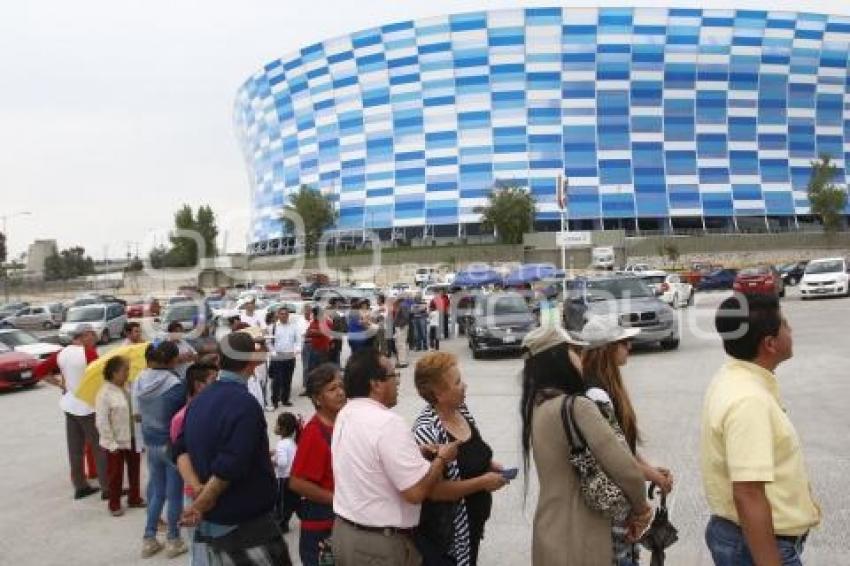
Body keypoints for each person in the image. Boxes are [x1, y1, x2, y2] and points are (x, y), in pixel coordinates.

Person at [702, 294, 820, 566]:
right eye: (786, 325)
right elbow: (748, 493)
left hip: (745, 538)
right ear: (770, 344)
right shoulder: (749, 401)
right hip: (758, 545)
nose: (791, 330)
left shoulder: (733, 376)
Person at [519, 325, 651, 566]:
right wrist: (642, 509)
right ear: (558, 357)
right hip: (586, 537)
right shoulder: (577, 406)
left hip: (549, 535)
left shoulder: (537, 407)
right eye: (575, 351)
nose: (581, 358)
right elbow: (626, 469)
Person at [331, 348, 459, 566]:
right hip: (379, 546)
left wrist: (414, 452)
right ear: (376, 384)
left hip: (345, 534)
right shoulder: (387, 423)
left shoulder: (347, 413)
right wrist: (441, 460)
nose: (398, 382)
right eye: (393, 376)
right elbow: (416, 492)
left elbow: (369, 459)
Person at [177, 331, 291, 566]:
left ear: (218, 361)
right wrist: (201, 503)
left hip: (215, 522)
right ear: (252, 361)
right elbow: (230, 465)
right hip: (244, 524)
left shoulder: (199, 399)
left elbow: (179, 449)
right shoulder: (244, 404)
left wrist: (198, 489)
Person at [578, 316, 674, 566]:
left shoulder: (602, 386)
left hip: (617, 498)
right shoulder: (595, 393)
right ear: (607, 349)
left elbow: (623, 443)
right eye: (624, 342)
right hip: (611, 504)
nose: (630, 347)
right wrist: (654, 477)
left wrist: (650, 470)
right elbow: (615, 456)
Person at [412, 352, 508, 565]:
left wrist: (489, 465)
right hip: (448, 538)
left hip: (473, 525)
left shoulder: (461, 410)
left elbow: (470, 454)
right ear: (438, 393)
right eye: (457, 382)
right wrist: (483, 482)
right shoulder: (427, 430)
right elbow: (435, 491)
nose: (465, 386)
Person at [34, 324, 108, 499]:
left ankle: (80, 485)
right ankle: (107, 488)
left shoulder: (62, 353)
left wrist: (61, 384)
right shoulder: (89, 353)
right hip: (88, 407)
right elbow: (99, 379)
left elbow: (39, 371)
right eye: (92, 336)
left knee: (75, 449)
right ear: (84, 336)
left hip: (69, 405)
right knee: (99, 448)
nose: (94, 339)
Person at [289, 364, 346, 566]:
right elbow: (297, 483)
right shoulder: (314, 433)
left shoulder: (342, 423)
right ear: (317, 399)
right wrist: (337, 499)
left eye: (341, 386)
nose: (340, 392)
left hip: (342, 521)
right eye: (332, 389)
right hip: (323, 526)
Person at [135, 341, 187, 559]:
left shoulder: (140, 378)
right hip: (170, 445)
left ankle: (149, 539)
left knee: (157, 491)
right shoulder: (175, 383)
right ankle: (173, 539)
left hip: (150, 442)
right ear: (172, 360)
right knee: (175, 494)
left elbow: (138, 413)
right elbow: (182, 417)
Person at [95, 355, 145, 516]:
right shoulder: (104, 393)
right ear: (114, 372)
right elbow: (101, 421)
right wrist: (111, 444)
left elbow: (133, 408)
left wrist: (137, 415)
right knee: (115, 474)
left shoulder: (129, 387)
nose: (127, 373)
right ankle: (114, 504)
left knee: (135, 469)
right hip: (115, 442)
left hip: (132, 436)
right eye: (125, 370)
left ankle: (134, 498)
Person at [272, 412, 299, 534]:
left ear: (283, 429)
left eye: (277, 424)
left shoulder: (281, 444)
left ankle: (281, 524)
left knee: (281, 503)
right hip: (292, 477)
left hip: (284, 478)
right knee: (289, 502)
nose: (275, 426)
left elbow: (282, 462)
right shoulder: (291, 442)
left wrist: (271, 462)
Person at [268, 306, 300, 408]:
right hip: (278, 356)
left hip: (290, 356)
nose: (284, 316)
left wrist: (295, 351)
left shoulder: (293, 327)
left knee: (287, 379)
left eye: (286, 314)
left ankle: (285, 399)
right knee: (277, 380)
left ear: (288, 315)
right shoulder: (273, 327)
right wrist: (273, 352)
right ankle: (275, 400)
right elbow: (268, 342)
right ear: (278, 315)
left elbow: (298, 340)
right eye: (281, 314)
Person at [305, 305, 331, 373]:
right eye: (314, 314)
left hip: (323, 349)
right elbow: (307, 333)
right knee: (312, 369)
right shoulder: (313, 322)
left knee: (321, 369)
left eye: (316, 314)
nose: (314, 315)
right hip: (313, 349)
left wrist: (314, 332)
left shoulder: (326, 321)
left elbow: (325, 332)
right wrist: (315, 332)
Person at [392, 294, 411, 368]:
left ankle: (402, 362)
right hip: (400, 326)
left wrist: (400, 325)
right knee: (400, 344)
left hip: (401, 327)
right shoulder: (401, 305)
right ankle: (401, 361)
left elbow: (406, 317)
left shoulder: (403, 305)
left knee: (401, 344)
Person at [298, 304, 313, 392]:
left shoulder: (313, 320)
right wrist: (311, 333)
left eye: (309, 311)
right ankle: (306, 387)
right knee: (306, 367)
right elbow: (303, 334)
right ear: (304, 311)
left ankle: (313, 386)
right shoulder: (300, 321)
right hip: (306, 345)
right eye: (306, 311)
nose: (308, 313)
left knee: (314, 366)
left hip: (315, 345)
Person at [327, 298, 346, 366]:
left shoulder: (340, 313)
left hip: (337, 339)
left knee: (335, 356)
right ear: (335, 303)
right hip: (332, 340)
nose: (340, 304)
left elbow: (344, 327)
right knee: (332, 358)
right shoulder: (330, 313)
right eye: (338, 302)